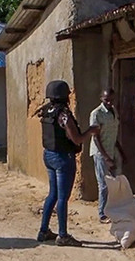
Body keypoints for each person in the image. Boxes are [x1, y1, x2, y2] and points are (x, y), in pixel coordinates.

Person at [35, 80, 99, 247]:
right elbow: (77, 138)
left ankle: (43, 231)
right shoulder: (63, 114)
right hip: (63, 158)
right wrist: (91, 131)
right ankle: (62, 235)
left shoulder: (46, 111)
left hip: (48, 155)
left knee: (53, 194)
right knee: (63, 198)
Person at [89, 88, 125, 224]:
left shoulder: (113, 112)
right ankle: (102, 214)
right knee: (103, 184)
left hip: (112, 150)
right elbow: (96, 138)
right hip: (100, 153)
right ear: (101, 99)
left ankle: (112, 209)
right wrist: (106, 157)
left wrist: (121, 152)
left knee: (114, 183)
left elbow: (113, 134)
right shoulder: (96, 114)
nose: (109, 102)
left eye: (111, 99)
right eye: (106, 100)